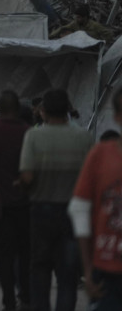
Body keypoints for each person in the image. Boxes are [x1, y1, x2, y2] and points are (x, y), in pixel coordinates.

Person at [20, 87, 94, 311]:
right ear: (67, 110)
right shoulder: (83, 137)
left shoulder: (34, 135)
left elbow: (27, 176)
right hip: (72, 214)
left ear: (42, 111)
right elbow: (90, 179)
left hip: (41, 211)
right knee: (67, 274)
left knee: (40, 270)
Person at [70, 88, 122, 308]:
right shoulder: (100, 154)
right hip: (106, 270)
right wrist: (88, 270)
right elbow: (79, 209)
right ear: (117, 117)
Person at [0, 90, 32, 311]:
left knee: (4, 254)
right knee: (24, 253)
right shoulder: (28, 133)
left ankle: (8, 300)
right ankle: (26, 297)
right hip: (25, 202)